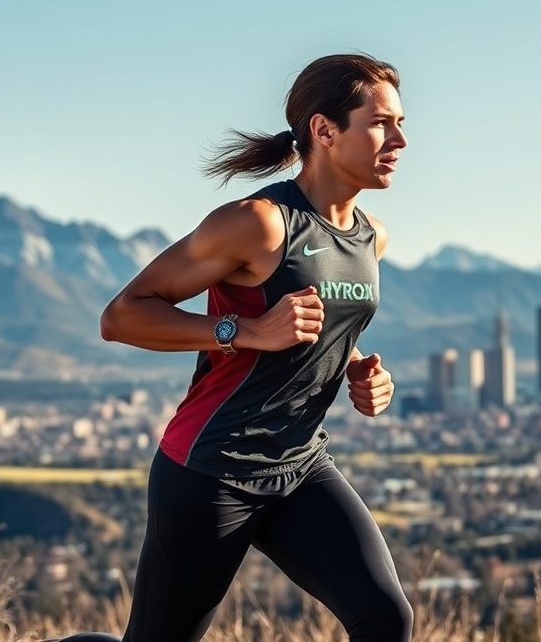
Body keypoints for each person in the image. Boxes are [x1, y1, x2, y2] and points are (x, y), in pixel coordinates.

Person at [45, 53, 411, 642]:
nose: (400, 138)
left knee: (386, 618)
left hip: (300, 466)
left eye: (399, 122)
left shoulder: (372, 236)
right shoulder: (259, 224)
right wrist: (243, 331)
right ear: (324, 130)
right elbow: (121, 316)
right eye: (381, 122)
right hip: (211, 470)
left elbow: (327, 327)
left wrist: (364, 373)